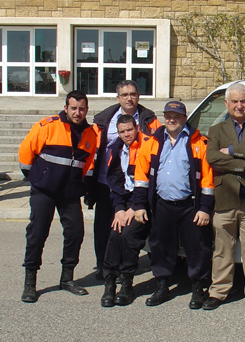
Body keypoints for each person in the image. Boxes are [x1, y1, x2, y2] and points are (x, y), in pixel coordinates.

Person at [18, 91, 98, 303]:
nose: (77, 112)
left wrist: (85, 187)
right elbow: (26, 155)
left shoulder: (91, 133)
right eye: (73, 108)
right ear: (66, 108)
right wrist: (37, 179)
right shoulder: (48, 125)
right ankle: (30, 283)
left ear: (87, 110)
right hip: (44, 190)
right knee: (37, 234)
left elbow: (89, 165)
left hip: (70, 192)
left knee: (76, 233)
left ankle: (67, 278)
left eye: (82, 108)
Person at [132, 101, 214, 309]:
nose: (171, 120)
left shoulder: (199, 142)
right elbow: (141, 176)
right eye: (168, 115)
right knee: (161, 247)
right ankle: (162, 286)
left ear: (184, 118)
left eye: (176, 116)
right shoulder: (152, 141)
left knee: (197, 248)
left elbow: (207, 180)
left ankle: (198, 288)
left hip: (190, 206)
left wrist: (204, 208)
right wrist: (140, 204)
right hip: (161, 205)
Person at [203, 83, 245, 313]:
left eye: (243, 101)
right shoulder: (216, 130)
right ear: (226, 104)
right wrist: (244, 162)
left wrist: (231, 150)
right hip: (225, 197)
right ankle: (218, 291)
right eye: (234, 101)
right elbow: (212, 157)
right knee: (222, 248)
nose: (239, 105)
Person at [90, 80, 161, 277]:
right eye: (124, 95)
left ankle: (125, 267)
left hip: (137, 184)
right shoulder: (105, 120)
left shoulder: (149, 120)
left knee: (130, 228)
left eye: (132, 94)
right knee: (105, 225)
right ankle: (103, 266)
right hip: (107, 182)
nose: (129, 98)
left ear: (138, 96)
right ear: (118, 98)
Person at [99, 115, 150, 307]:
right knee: (115, 233)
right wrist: (119, 209)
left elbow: (148, 182)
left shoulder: (147, 144)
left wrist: (135, 207)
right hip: (126, 201)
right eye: (122, 131)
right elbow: (116, 181)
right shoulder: (116, 148)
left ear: (136, 127)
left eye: (129, 130)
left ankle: (127, 283)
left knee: (129, 235)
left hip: (143, 202)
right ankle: (110, 282)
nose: (126, 134)